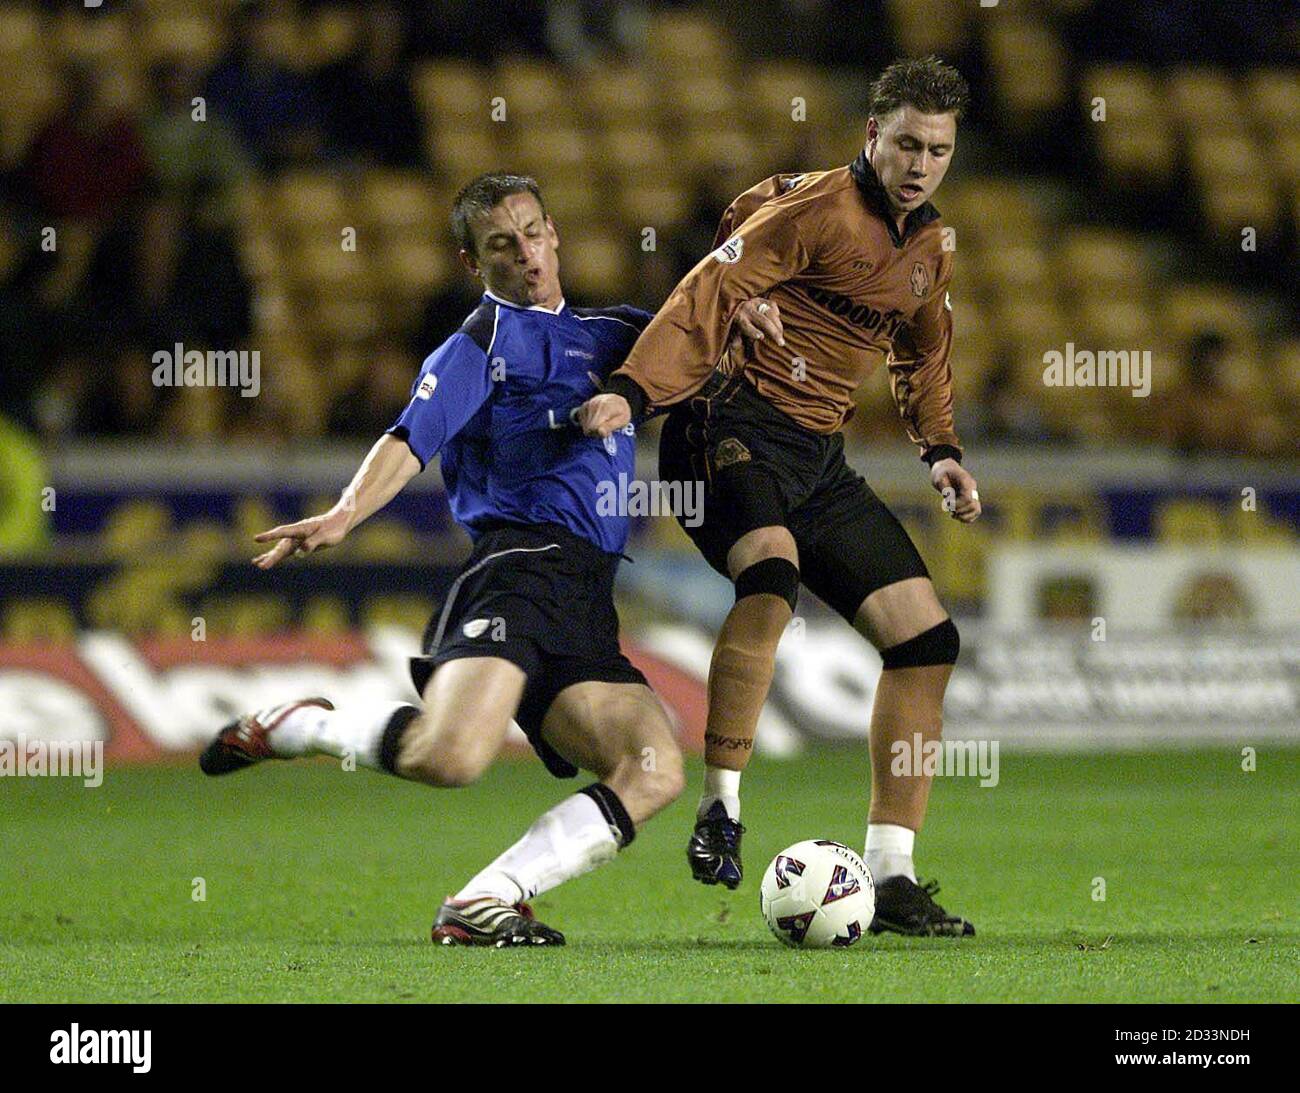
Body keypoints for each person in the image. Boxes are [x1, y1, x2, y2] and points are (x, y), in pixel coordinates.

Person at [200, 172, 782, 947]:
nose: (528, 255)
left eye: (535, 232)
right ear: (475, 263)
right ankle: (301, 726)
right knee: (449, 759)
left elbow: (698, 323)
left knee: (653, 766)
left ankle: (485, 899)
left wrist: (748, 311)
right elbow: (411, 437)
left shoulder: (616, 333)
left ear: (555, 234)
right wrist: (346, 510)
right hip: (515, 569)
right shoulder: (480, 342)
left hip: (586, 597)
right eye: (502, 244)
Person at [578, 57, 981, 936]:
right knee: (771, 576)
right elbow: (709, 284)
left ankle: (893, 873)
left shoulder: (930, 249)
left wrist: (940, 447)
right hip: (724, 423)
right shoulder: (817, 211)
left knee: (927, 640)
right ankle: (721, 803)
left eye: (938, 150)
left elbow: (924, 352)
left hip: (815, 454)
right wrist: (636, 391)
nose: (920, 163)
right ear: (872, 135)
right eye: (906, 142)